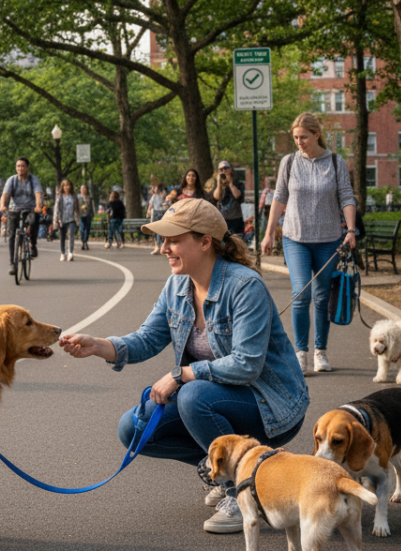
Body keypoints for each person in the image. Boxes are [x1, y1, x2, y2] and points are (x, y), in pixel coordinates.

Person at [59, 198, 308, 535]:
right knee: (133, 429)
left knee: (192, 397)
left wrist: (183, 374)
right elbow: (148, 338)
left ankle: (243, 494)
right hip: (215, 397)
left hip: (270, 405)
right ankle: (228, 472)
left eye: (173, 240)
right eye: (164, 240)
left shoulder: (245, 286)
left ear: (205, 241)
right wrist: (100, 346)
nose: (164, 248)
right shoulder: (177, 285)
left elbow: (247, 366)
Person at [260, 112, 358, 375]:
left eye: (303, 137)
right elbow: (279, 198)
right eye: (295, 137)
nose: (299, 142)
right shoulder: (289, 162)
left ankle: (320, 351)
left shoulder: (336, 162)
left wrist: (351, 230)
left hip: (328, 240)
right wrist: (269, 233)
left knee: (322, 295)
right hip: (295, 238)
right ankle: (300, 353)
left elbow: (347, 197)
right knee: (301, 294)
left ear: (317, 134)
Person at [0, 157, 44, 276]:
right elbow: (5, 195)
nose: (20, 168)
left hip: (30, 208)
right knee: (12, 235)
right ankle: (13, 264)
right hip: (15, 209)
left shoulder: (34, 180)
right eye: (18, 166)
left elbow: (38, 194)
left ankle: (33, 244)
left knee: (34, 220)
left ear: (28, 167)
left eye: (23, 166)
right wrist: (3, 206)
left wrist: (38, 206)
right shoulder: (12, 180)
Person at [212, 161, 245, 236]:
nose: (224, 171)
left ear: (231, 170)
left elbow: (237, 195)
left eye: (226, 168)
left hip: (236, 219)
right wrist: (219, 184)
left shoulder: (238, 183)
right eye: (221, 169)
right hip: (222, 219)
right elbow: (216, 197)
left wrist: (230, 183)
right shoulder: (217, 184)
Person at [53, 179, 78, 261]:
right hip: (62, 219)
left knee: (71, 235)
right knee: (62, 237)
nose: (66, 187)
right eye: (64, 185)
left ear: (70, 186)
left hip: (72, 219)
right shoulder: (60, 196)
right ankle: (63, 253)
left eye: (68, 185)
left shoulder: (73, 196)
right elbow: (56, 209)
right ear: (62, 187)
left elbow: (77, 208)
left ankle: (70, 253)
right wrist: (57, 220)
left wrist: (77, 220)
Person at [146, 183, 168, 255]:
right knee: (155, 231)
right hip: (155, 213)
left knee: (161, 231)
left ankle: (162, 246)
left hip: (162, 213)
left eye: (155, 188)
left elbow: (167, 203)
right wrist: (148, 212)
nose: (154, 190)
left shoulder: (163, 195)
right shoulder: (154, 196)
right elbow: (151, 205)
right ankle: (157, 246)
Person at [78, 184, 94, 251]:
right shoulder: (78, 197)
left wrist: (92, 214)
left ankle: (85, 242)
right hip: (80, 214)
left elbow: (91, 206)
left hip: (88, 214)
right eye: (82, 189)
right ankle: (83, 241)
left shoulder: (89, 197)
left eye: (84, 189)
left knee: (87, 229)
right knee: (82, 228)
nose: (83, 190)